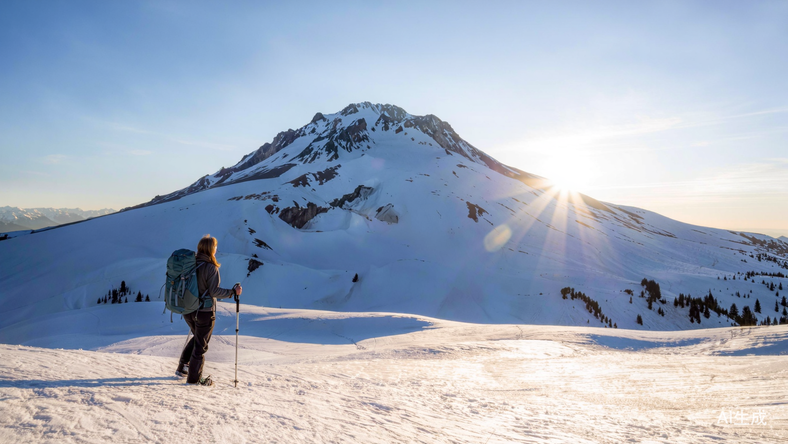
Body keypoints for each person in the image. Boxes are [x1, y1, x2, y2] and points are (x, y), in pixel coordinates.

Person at [176, 234, 242, 385]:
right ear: (211, 249)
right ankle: (194, 380)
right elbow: (214, 291)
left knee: (198, 338)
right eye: (215, 247)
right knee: (201, 345)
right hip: (204, 312)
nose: (216, 249)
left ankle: (182, 368)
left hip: (188, 310)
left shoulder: (190, 264)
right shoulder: (211, 267)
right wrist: (233, 292)